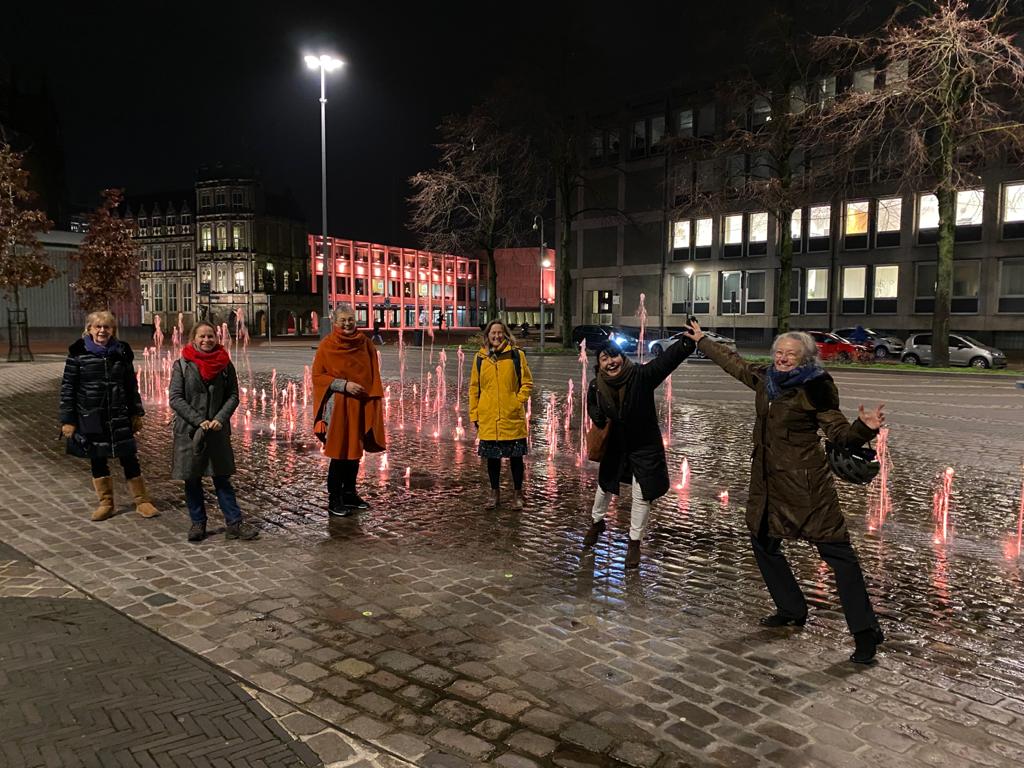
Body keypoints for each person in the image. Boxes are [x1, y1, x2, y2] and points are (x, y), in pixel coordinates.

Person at [682, 320, 886, 663]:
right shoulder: (766, 379)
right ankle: (791, 608)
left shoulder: (816, 387)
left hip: (806, 489)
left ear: (804, 359)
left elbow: (838, 434)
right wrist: (703, 341)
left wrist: (863, 430)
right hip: (767, 483)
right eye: (779, 352)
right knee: (761, 539)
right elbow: (736, 364)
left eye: (790, 354)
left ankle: (866, 634)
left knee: (839, 556)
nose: (783, 358)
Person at [582, 333, 695, 568]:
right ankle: (596, 522)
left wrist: (686, 343)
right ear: (599, 364)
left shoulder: (640, 376)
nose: (611, 361)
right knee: (604, 486)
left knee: (641, 494)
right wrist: (596, 415)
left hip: (644, 446)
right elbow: (592, 405)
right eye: (605, 358)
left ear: (622, 357)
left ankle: (634, 543)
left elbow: (664, 364)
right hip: (616, 445)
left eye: (614, 356)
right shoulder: (597, 385)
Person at [59, 310, 159, 521]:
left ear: (113, 330)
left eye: (107, 327)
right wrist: (68, 420)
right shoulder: (78, 353)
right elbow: (68, 389)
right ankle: (106, 503)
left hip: (118, 414)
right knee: (97, 458)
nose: (102, 330)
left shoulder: (121, 352)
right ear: (90, 329)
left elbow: (131, 385)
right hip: (91, 415)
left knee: (129, 457)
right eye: (98, 326)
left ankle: (142, 500)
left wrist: (136, 412)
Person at [169, 321, 258, 542]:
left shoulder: (225, 364)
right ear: (193, 339)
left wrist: (219, 419)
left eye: (210, 336)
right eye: (202, 336)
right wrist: (199, 420)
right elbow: (175, 398)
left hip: (217, 430)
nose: (207, 340)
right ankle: (198, 523)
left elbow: (233, 395)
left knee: (222, 478)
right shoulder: (181, 364)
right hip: (190, 431)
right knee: (192, 479)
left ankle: (234, 523)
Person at [312, 305, 386, 516]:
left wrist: (372, 399)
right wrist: (343, 385)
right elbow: (317, 377)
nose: (347, 324)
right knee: (339, 453)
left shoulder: (365, 343)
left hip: (360, 404)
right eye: (343, 320)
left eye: (350, 319)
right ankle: (335, 498)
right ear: (335, 322)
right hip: (338, 407)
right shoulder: (327, 345)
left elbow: (373, 372)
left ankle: (350, 493)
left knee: (355, 452)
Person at [468, 320, 533, 510]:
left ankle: (518, 494)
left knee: (516, 459)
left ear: (505, 334)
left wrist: (517, 401)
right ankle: (494, 494)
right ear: (487, 335)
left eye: (499, 332)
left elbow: (527, 383)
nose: (496, 336)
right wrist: (475, 414)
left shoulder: (516, 355)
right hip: (488, 416)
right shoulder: (480, 359)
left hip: (511, 415)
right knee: (492, 459)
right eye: (492, 333)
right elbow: (474, 388)